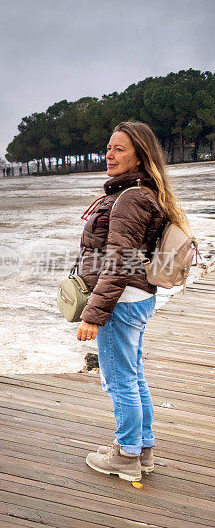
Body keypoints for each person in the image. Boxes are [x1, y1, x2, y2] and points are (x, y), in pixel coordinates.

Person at [76, 121, 191, 482]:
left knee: (120, 380)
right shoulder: (141, 193)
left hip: (121, 301)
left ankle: (126, 455)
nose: (109, 155)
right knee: (134, 376)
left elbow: (119, 262)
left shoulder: (129, 198)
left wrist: (94, 314)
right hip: (137, 297)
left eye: (119, 149)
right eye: (108, 148)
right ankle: (142, 450)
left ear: (140, 155)